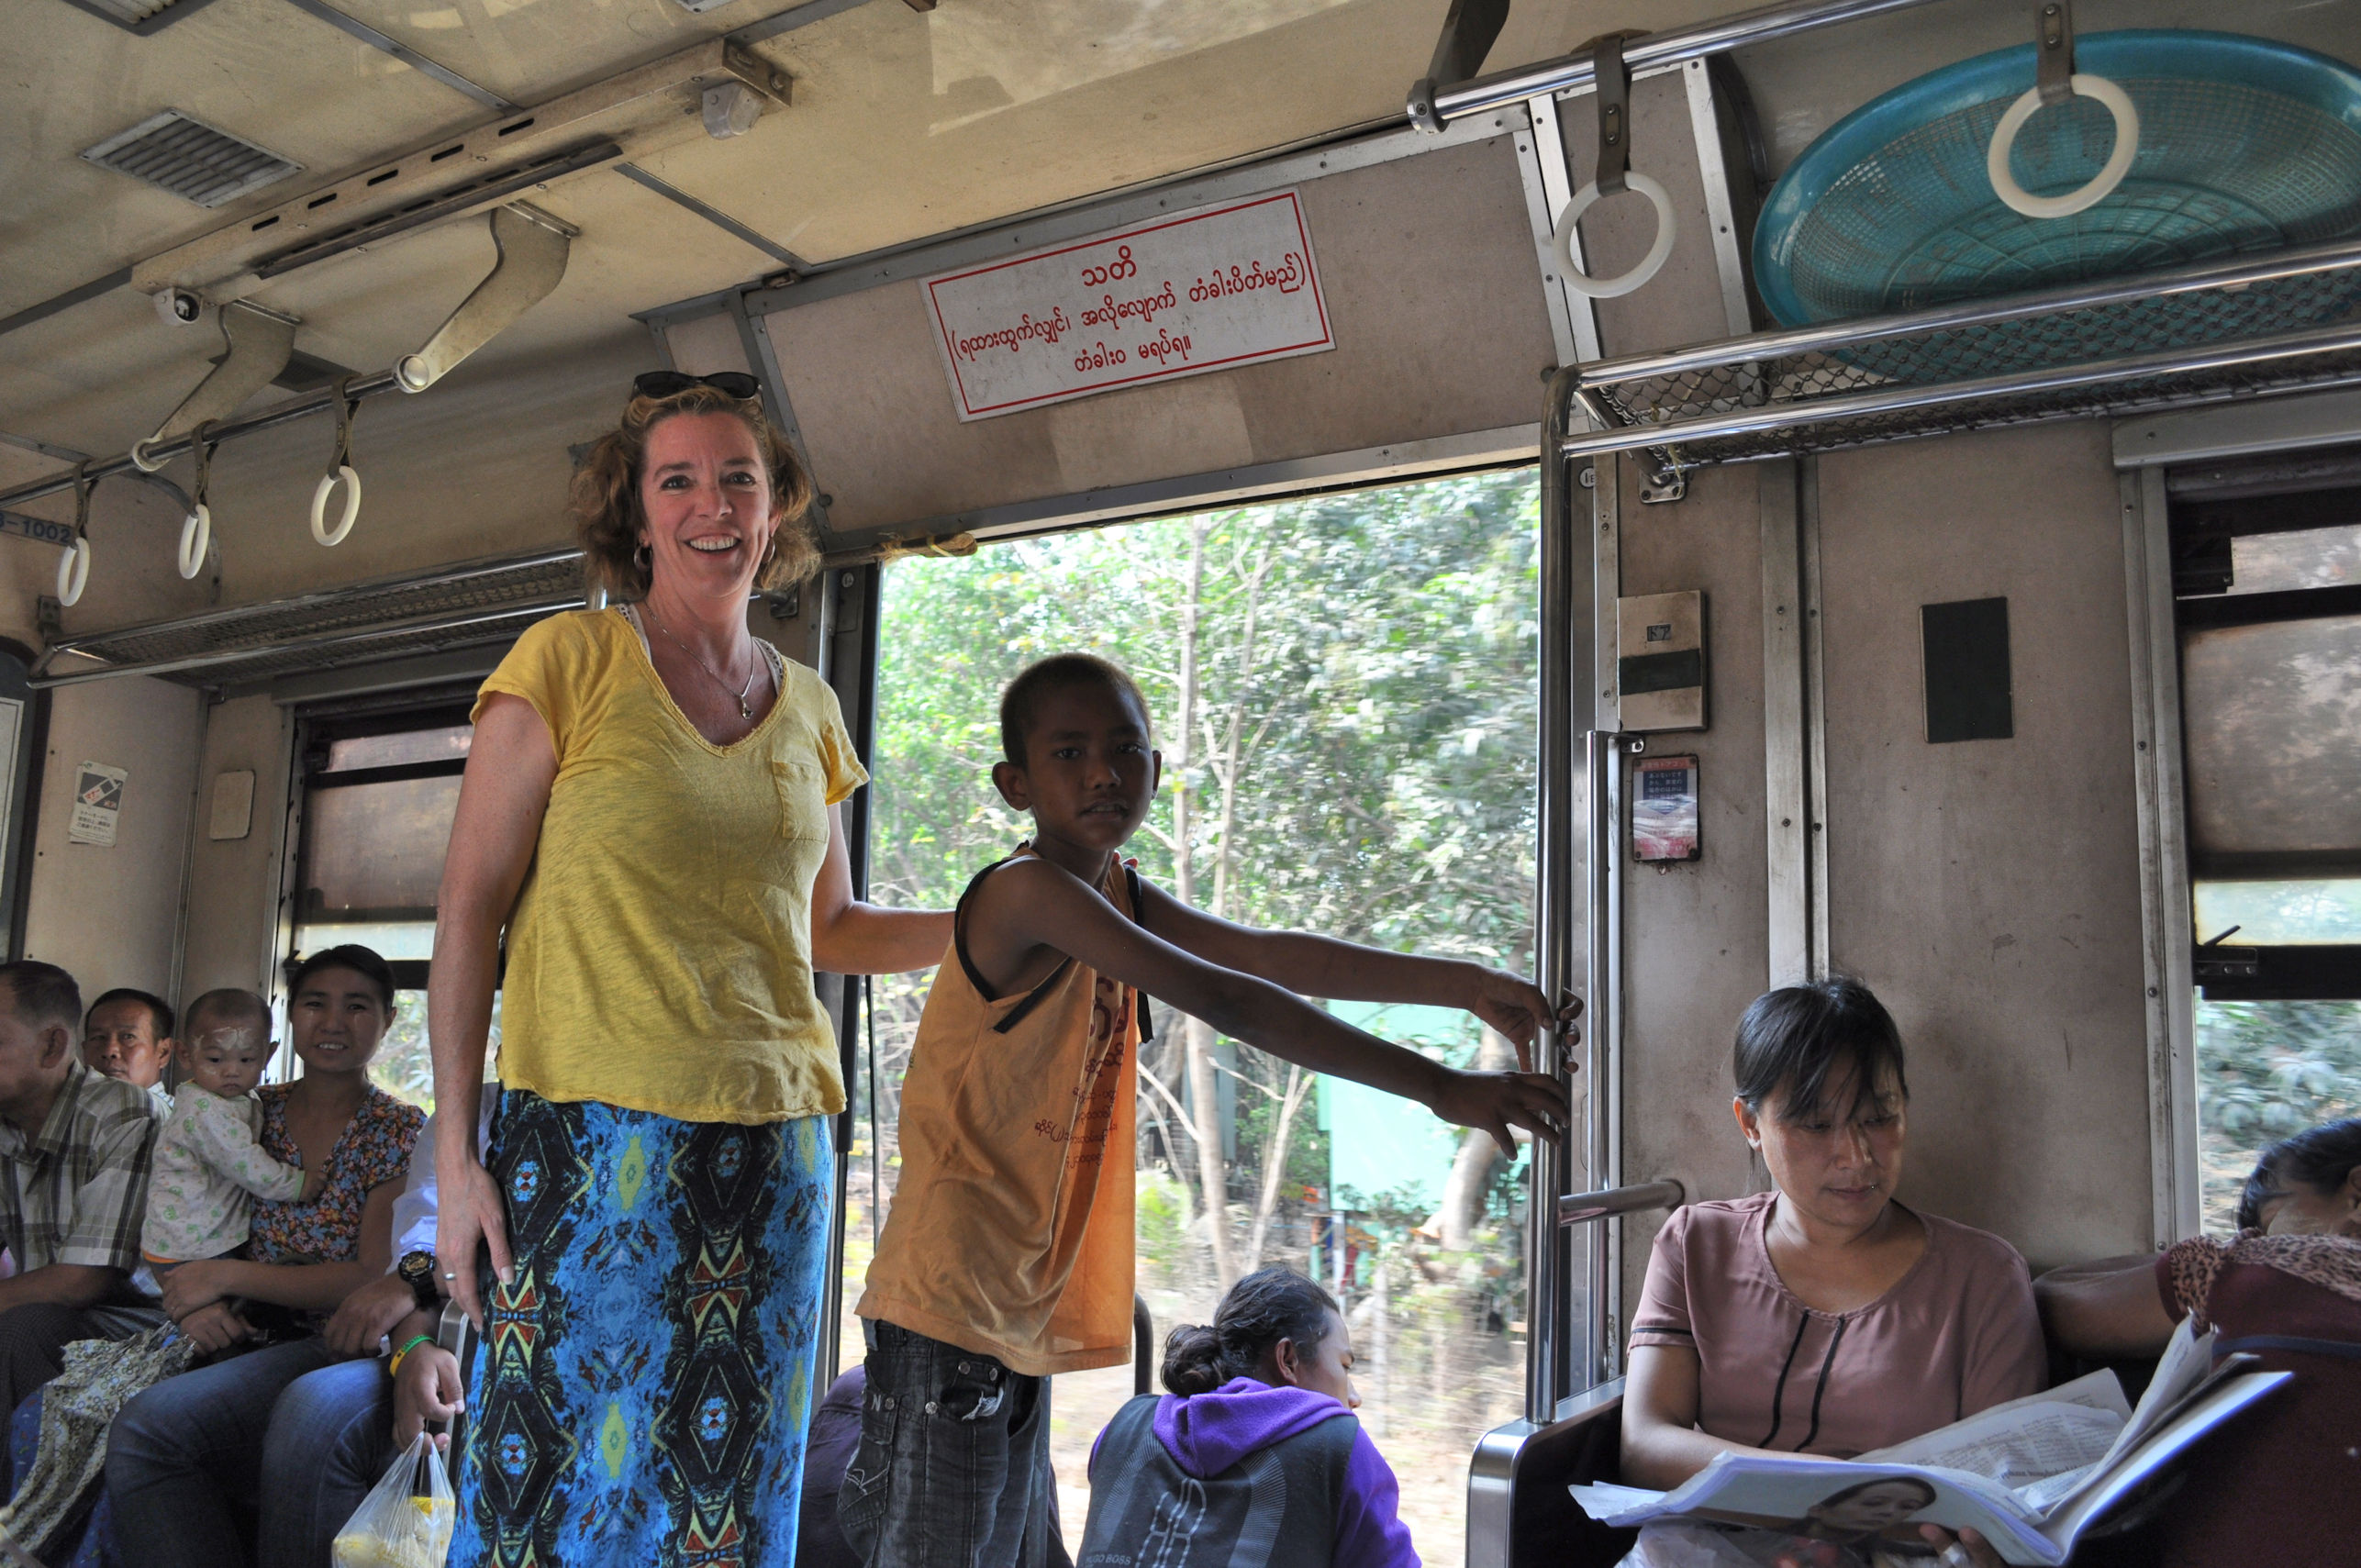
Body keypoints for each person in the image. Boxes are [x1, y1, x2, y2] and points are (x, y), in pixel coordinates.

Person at [842, 653, 1571, 1568]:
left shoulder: (1115, 887)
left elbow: (1267, 955)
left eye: (1124, 749)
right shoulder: (1024, 892)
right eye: (1068, 752)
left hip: (1011, 1309)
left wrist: (1462, 984)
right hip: (947, 1304)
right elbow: (1228, 996)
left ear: (1155, 767)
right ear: (1014, 784)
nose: (1102, 773)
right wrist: (1441, 1086)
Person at [430, 372, 952, 1568]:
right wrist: (457, 1159)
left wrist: (1005, 920)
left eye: (738, 480)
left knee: (729, 1497)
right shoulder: (567, 660)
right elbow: (466, 916)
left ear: (776, 510)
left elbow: (834, 930)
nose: (711, 505)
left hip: (774, 1153)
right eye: (678, 481)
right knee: (549, 1493)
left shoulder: (809, 707)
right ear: (636, 512)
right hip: (585, 1143)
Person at [1619, 980, 2043, 1568]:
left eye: (1880, 1118)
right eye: (1816, 1126)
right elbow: (1645, 1446)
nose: (1857, 1156)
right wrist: (1836, 1489)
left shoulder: (1985, 1277)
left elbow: (2002, 1496)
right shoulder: (1696, 1245)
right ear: (1750, 1123)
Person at [106, 946, 423, 1568]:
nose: (333, 1022)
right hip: (239, 1321)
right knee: (121, 1416)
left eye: (357, 1007)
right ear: (289, 1017)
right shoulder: (243, 1108)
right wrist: (189, 1299)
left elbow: (367, 1278)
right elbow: (178, 1209)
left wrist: (223, 1275)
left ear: (388, 1020)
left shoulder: (396, 1128)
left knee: (150, 1428)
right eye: (315, 1003)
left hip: (334, 1337)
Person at [2034, 1116, 2361, 1568]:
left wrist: (2222, 1255)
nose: (2258, 1239)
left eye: (2269, 1221)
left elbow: (2058, 1301)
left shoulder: (2269, 1264)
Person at [1077, 1265, 1418, 1568]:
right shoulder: (1339, 1448)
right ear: (1288, 1360)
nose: (1354, 1397)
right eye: (1344, 1366)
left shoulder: (1125, 1425)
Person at [0, 962, 165, 1419]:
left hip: (138, 1324)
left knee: (21, 1330)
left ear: (52, 1045)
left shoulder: (123, 1113)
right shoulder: (7, 1120)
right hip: (40, 1314)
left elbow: (84, 1280)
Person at [139, 989, 324, 1273]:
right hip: (189, 1246)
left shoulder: (236, 1098)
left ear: (268, 1055)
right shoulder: (203, 1109)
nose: (231, 1071)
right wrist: (296, 1184)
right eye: (215, 1060)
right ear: (185, 1055)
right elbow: (245, 1163)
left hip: (197, 1239)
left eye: (246, 1060)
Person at [81, 989, 176, 1112]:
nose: (109, 1051)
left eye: (128, 1037)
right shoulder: (69, 1110)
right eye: (98, 1037)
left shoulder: (180, 1119)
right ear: (84, 1049)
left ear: (163, 1052)